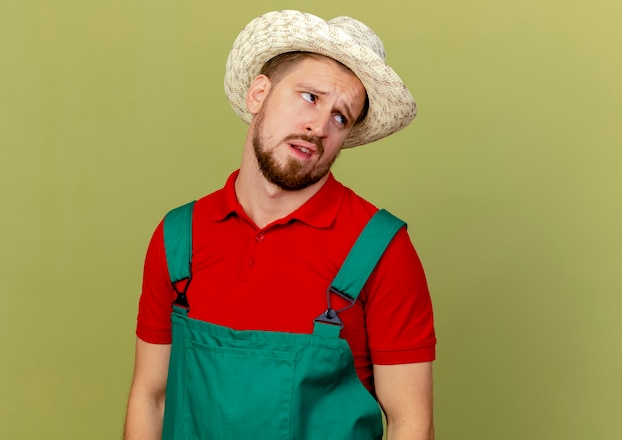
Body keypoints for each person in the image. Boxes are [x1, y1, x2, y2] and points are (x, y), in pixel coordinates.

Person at [124, 10, 436, 440]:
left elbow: (410, 423)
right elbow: (151, 397)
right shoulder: (179, 236)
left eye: (340, 117)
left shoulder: (381, 249)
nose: (319, 126)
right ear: (258, 94)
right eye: (310, 97)